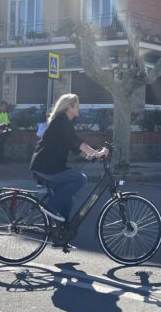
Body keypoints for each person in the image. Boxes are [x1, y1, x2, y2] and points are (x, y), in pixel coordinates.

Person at [29, 94, 108, 223]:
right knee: (80, 179)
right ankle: (51, 207)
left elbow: (74, 148)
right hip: (47, 167)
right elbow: (77, 142)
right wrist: (96, 153)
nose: (79, 109)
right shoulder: (61, 121)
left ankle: (60, 233)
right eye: (77, 106)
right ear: (69, 107)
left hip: (51, 166)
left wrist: (93, 157)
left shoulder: (65, 122)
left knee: (69, 199)